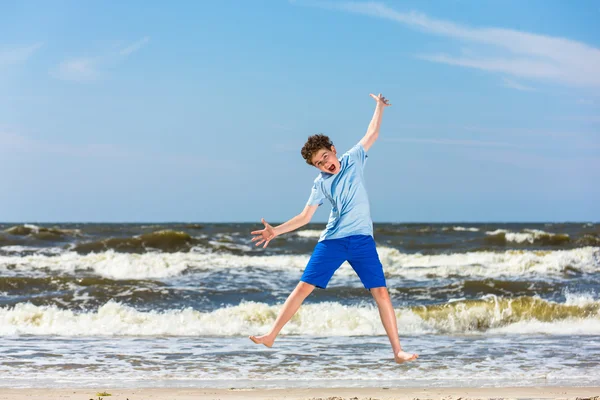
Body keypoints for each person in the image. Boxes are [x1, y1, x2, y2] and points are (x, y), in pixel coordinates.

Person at [249, 93, 418, 363]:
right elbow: (305, 217)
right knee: (304, 287)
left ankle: (398, 351)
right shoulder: (320, 184)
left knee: (381, 293)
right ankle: (271, 335)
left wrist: (379, 107)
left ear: (334, 149)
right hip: (333, 241)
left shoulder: (353, 159)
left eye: (326, 156)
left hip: (362, 240)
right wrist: (275, 231)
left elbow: (372, 133)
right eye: (319, 163)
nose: (326, 164)